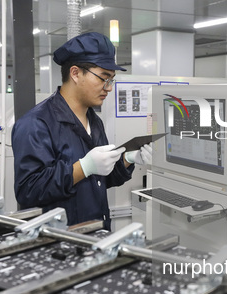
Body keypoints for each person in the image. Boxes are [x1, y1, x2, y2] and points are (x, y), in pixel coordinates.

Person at [12, 32, 152, 230]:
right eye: (104, 78)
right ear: (76, 73)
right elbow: (29, 191)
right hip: (60, 243)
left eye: (111, 80)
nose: (108, 88)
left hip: (96, 234)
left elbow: (102, 179)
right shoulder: (36, 123)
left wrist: (128, 159)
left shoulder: (94, 121)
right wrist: (83, 167)